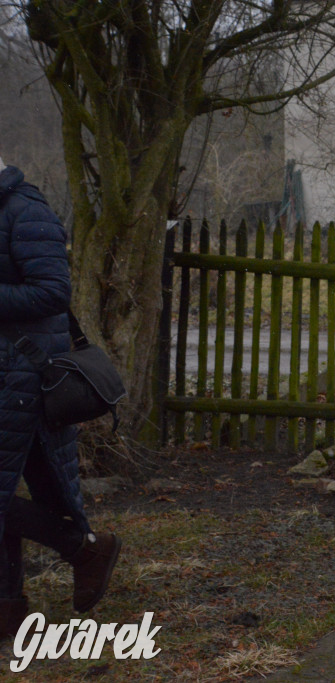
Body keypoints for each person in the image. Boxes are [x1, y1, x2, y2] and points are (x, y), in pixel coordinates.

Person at [0, 158, 121, 637]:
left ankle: (82, 547)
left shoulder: (26, 211)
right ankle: (8, 610)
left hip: (23, 380)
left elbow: (52, 292)